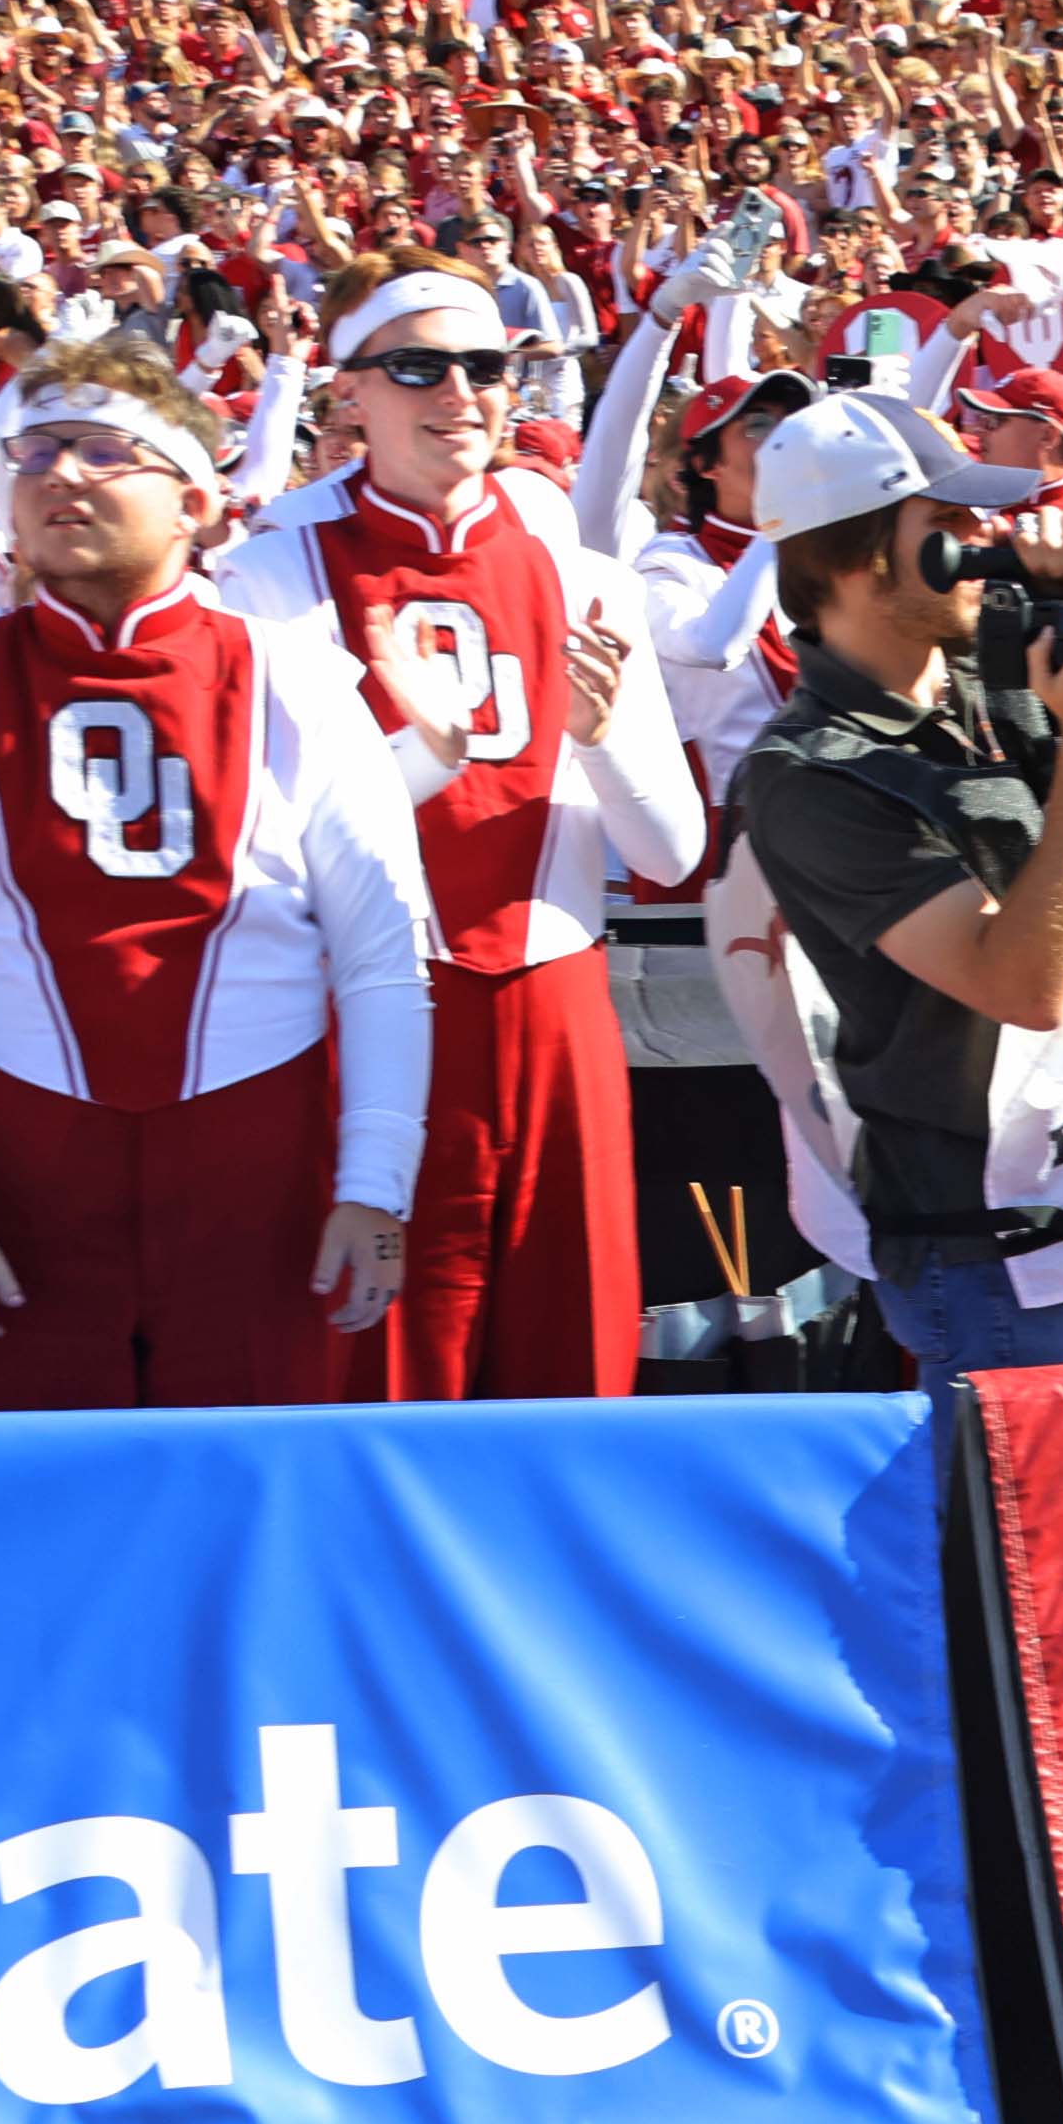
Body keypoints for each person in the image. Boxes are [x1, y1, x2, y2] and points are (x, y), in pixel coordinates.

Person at [0, 344, 433, 1409]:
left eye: (108, 451)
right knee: (40, 1527)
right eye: (37, 452)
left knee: (259, 1517)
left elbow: (382, 962)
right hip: (21, 1191)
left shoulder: (298, 676)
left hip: (263, 1182)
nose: (62, 474)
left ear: (197, 500)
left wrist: (374, 1186)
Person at [216, 255, 701, 1398]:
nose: (462, 394)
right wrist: (420, 765)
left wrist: (598, 732)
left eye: (486, 367)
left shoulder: (574, 565)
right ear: (350, 393)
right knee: (380, 1368)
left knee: (572, 1357)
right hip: (365, 1011)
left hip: (555, 1000)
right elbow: (265, 863)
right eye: (420, 367)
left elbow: (671, 856)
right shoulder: (273, 571)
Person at [723, 393, 1063, 1382]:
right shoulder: (806, 773)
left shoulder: (984, 661)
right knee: (1001, 1532)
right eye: (949, 523)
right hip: (986, 1243)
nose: (986, 536)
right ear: (858, 558)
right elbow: (1020, 986)